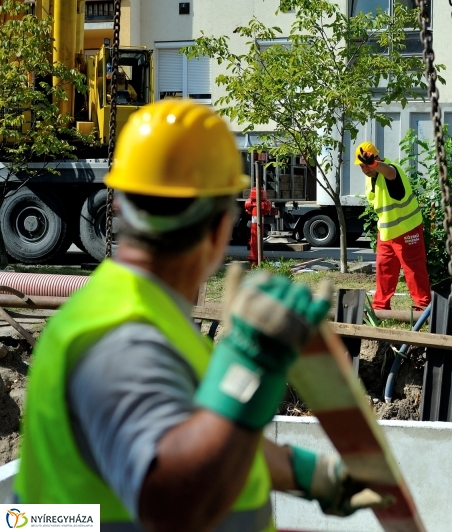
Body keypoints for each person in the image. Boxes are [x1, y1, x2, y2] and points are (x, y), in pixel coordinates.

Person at [15, 100, 386, 531]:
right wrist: (249, 365)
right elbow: (170, 501)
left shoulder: (135, 311)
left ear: (118, 209)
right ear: (218, 228)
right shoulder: (122, 337)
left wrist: (310, 475)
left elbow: (198, 432)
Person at [357, 140, 431, 311]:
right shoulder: (371, 178)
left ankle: (422, 308)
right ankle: (380, 307)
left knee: (413, 269)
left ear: (376, 160)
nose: (364, 169)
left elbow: (390, 173)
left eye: (366, 165)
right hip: (386, 231)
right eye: (361, 166)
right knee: (384, 269)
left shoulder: (389, 170)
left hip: (407, 228)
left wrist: (375, 164)